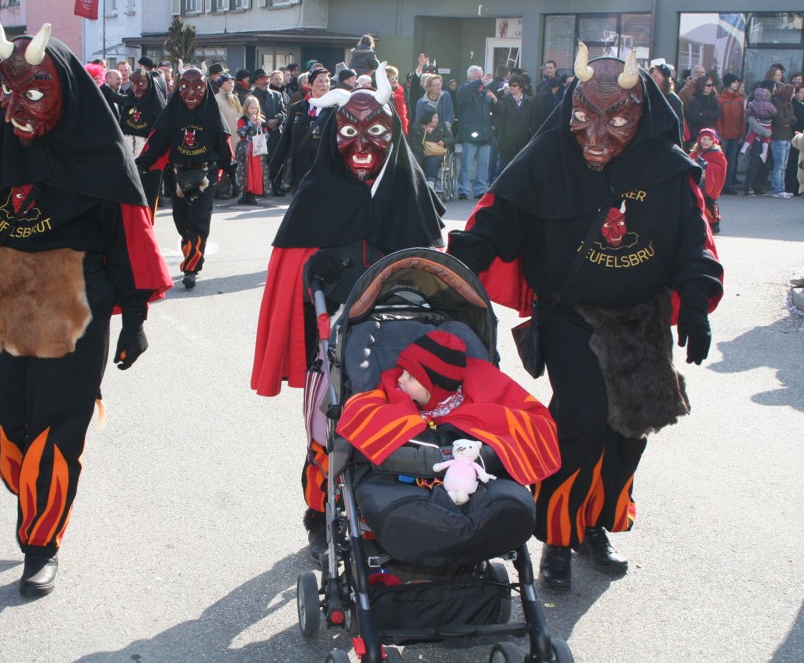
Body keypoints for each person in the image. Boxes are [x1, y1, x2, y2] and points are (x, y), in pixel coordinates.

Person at [446, 44, 723, 591]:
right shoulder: (547, 157)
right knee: (582, 421)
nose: (595, 137)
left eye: (615, 120)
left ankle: (595, 524)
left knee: (629, 430)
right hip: (569, 315)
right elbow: (499, 220)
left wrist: (695, 303)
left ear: (641, 116)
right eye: (583, 117)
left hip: (641, 321)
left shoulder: (668, 168)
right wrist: (459, 267)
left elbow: (694, 241)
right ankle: (558, 533)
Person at [0, 17, 172, 598]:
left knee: (58, 425)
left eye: (34, 93)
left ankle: (41, 542)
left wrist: (134, 319)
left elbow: (130, 238)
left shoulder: (100, 154)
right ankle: (37, 492)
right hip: (3, 296)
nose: (17, 108)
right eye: (11, 92)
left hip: (75, 302)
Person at [250, 63, 446, 558]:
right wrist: (318, 276)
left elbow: (439, 273)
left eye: (376, 132)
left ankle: (397, 512)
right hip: (336, 343)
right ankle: (320, 514)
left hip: (404, 341)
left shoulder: (409, 189)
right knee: (329, 426)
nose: (362, 146)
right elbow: (291, 282)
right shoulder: (317, 194)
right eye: (349, 132)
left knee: (410, 429)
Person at [337, 330, 560, 535]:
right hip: (408, 484)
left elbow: (529, 421)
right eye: (402, 371)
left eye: (410, 377)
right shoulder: (392, 394)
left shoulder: (472, 400)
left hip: (471, 478)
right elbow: (367, 416)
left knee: (509, 510)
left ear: (433, 387)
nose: (400, 379)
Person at [137, 66, 235, 289]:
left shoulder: (212, 115)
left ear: (205, 88)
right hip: (178, 174)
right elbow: (156, 143)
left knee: (198, 222)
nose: (191, 93)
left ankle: (191, 267)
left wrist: (231, 172)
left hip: (206, 174)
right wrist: (141, 164)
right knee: (182, 222)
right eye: (185, 86)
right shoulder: (171, 115)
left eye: (197, 87)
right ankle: (190, 252)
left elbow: (224, 146)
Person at [268, 65, 332, 196]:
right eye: (320, 81)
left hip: (325, 172)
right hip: (300, 172)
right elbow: (285, 141)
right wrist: (272, 173)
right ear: (310, 84)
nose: (325, 85)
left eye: (327, 81)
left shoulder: (335, 110)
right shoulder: (298, 108)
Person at [455, 65, 497, 200]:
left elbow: (495, 111)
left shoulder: (485, 93)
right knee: (466, 164)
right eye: (478, 77)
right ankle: (463, 189)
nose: (481, 80)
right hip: (470, 134)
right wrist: (480, 82)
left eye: (481, 77)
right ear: (470, 77)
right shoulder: (463, 90)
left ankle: (479, 189)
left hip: (486, 134)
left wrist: (493, 126)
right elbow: (465, 92)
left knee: (483, 165)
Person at [248, 68, 287, 195]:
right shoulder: (251, 97)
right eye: (262, 79)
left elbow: (284, 111)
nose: (266, 81)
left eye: (267, 78)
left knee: (277, 159)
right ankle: (262, 187)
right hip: (259, 133)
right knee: (262, 162)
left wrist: (277, 119)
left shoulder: (276, 95)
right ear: (256, 81)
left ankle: (276, 186)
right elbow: (249, 114)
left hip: (276, 133)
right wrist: (266, 123)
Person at [492, 73, 533, 174]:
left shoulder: (529, 101)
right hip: (507, 141)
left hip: (523, 140)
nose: (511, 87)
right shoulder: (505, 99)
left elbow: (532, 118)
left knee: (520, 168)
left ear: (521, 88)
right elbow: (499, 110)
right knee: (505, 168)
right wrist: (494, 100)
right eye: (510, 85)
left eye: (514, 85)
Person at [690, 128, 727, 234]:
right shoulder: (696, 153)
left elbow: (721, 168)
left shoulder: (717, 153)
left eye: (709, 139)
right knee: (697, 203)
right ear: (699, 140)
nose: (706, 142)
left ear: (713, 141)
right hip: (698, 184)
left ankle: (714, 223)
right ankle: (699, 224)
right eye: (704, 139)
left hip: (709, 184)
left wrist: (707, 168)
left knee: (709, 204)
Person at [408, 106, 452, 191]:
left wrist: (444, 141)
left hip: (435, 152)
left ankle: (431, 182)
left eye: (437, 117)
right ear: (428, 118)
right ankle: (415, 180)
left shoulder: (441, 127)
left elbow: (451, 139)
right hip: (420, 152)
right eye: (433, 117)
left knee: (433, 160)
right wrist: (422, 151)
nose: (436, 120)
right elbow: (413, 143)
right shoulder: (416, 127)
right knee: (415, 160)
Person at [236, 95, 269, 205]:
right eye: (251, 108)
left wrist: (259, 127)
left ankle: (252, 194)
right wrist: (249, 124)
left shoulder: (261, 121)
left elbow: (267, 135)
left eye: (255, 108)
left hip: (256, 151)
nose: (254, 110)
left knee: (255, 172)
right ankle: (243, 194)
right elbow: (241, 133)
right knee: (244, 171)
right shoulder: (242, 120)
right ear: (246, 108)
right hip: (245, 149)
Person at [213, 73, 242, 199]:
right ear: (221, 84)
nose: (232, 84)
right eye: (228, 82)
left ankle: (235, 188)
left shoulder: (234, 98)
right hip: (225, 138)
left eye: (232, 82)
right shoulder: (216, 99)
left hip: (237, 137)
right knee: (224, 163)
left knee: (235, 165)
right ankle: (222, 190)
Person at [716, 73, 745, 194]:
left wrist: (741, 134)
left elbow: (742, 119)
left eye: (737, 82)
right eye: (734, 82)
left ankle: (727, 185)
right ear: (728, 83)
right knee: (722, 162)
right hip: (724, 135)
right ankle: (720, 185)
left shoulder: (739, 99)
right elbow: (718, 119)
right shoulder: (721, 99)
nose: (736, 84)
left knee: (731, 162)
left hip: (735, 135)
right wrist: (720, 135)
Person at [769, 83, 797, 198]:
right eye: (793, 92)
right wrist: (789, 120)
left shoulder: (788, 104)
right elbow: (779, 121)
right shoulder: (778, 103)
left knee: (783, 165)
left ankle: (782, 188)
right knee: (779, 165)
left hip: (787, 136)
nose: (794, 95)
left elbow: (794, 118)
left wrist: (788, 120)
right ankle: (777, 189)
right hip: (778, 137)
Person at [649, 59, 685, 144]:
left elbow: (679, 127)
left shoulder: (673, 100)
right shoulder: (647, 97)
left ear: (665, 79)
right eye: (652, 76)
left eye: (656, 76)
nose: (653, 79)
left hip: (665, 143)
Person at [685, 75, 721, 152]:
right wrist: (710, 118)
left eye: (712, 85)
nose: (710, 87)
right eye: (708, 85)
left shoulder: (713, 99)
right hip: (697, 134)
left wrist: (705, 113)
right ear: (701, 86)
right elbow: (695, 118)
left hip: (711, 134)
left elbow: (717, 114)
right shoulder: (695, 100)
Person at [741, 87, 776, 163]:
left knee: (752, 134)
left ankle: (744, 148)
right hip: (767, 123)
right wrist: (769, 115)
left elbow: (748, 112)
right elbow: (774, 112)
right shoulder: (769, 104)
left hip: (759, 122)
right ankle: (764, 153)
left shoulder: (753, 104)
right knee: (766, 138)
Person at [788, 86, 804, 196]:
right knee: (794, 162)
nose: (803, 95)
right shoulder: (794, 104)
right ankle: (792, 187)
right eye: (801, 92)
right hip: (796, 136)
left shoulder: (800, 104)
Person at [407, 52, 430, 117]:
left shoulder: (436, 92)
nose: (425, 82)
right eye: (423, 80)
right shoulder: (417, 90)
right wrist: (421, 66)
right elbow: (416, 79)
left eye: (428, 81)